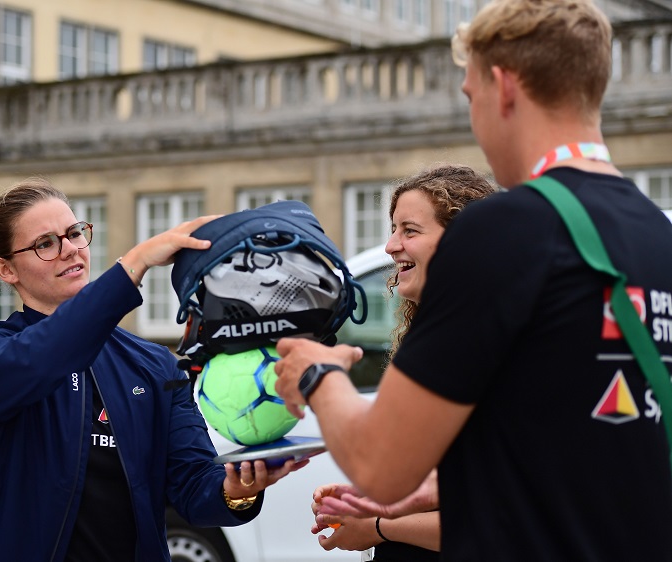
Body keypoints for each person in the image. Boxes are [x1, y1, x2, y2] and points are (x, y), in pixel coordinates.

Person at [273, 0, 672, 559]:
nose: (473, 117)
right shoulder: (655, 232)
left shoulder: (508, 228)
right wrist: (430, 493)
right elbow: (567, 452)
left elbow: (378, 462)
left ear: (503, 87)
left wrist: (318, 373)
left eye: (470, 94)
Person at [0, 177, 306, 562]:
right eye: (45, 244)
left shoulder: (155, 365)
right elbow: (42, 357)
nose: (70, 250)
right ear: (6, 269)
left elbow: (193, 485)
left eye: (74, 233)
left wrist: (237, 491)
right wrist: (135, 263)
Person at [310, 166, 495, 561]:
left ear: (461, 242)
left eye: (410, 231)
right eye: (393, 229)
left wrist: (377, 527)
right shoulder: (435, 338)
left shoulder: (485, 347)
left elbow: (495, 514)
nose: (391, 246)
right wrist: (369, 499)